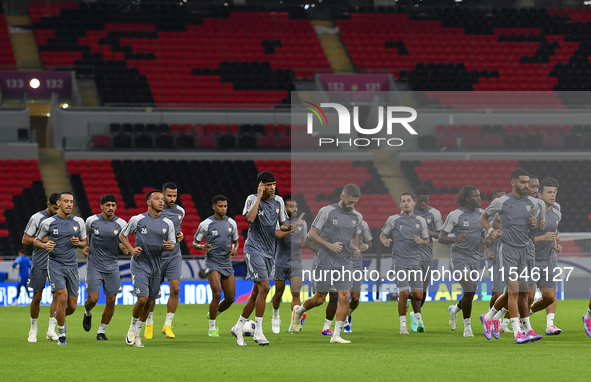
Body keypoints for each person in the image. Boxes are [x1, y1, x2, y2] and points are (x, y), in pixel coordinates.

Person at [290, 184, 362, 344]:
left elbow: (354, 237)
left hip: (345, 262)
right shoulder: (326, 211)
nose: (351, 206)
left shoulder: (357, 216)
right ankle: (299, 311)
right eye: (349, 202)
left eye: (354, 203)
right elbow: (312, 235)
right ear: (342, 197)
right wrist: (330, 246)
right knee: (319, 299)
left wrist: (355, 248)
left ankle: (336, 335)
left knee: (345, 296)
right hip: (325, 262)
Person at [479, 169, 543, 344]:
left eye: (527, 182)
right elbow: (483, 218)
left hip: (525, 251)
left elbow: (533, 231)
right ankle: (517, 332)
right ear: (513, 182)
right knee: (513, 290)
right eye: (522, 182)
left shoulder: (533, 203)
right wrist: (492, 231)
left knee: (524, 293)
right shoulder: (502, 202)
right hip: (508, 250)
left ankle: (527, 329)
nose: (526, 186)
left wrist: (534, 225)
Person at [230, 171, 290, 347]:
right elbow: (249, 218)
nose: (272, 188)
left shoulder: (279, 201)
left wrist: (291, 227)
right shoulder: (251, 199)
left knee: (256, 292)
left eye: (274, 184)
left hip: (270, 251)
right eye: (268, 185)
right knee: (265, 287)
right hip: (253, 249)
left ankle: (238, 326)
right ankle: (258, 332)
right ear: (261, 185)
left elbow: (282, 225)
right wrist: (258, 196)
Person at [119, 190, 176, 348]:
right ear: (149, 202)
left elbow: (172, 244)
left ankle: (137, 333)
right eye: (157, 199)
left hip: (157, 266)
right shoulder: (137, 219)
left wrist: (171, 246)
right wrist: (131, 249)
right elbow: (122, 236)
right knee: (142, 299)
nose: (161, 201)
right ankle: (131, 328)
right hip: (139, 264)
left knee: (150, 302)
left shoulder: (168, 223)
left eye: (162, 199)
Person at [34, 191, 87, 346]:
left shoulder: (79, 222)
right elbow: (36, 240)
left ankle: (58, 315)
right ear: (58, 204)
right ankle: (62, 335)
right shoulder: (48, 223)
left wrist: (79, 243)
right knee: (61, 297)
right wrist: (44, 245)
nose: (69, 204)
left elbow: (85, 242)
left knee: (72, 306)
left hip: (72, 266)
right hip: (55, 264)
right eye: (66, 201)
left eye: (71, 201)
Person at [440, 186, 487, 338]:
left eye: (479, 196)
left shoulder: (482, 214)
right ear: (467, 198)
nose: (479, 198)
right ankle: (467, 328)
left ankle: (454, 310)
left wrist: (486, 242)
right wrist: (456, 239)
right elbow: (441, 237)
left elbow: (480, 237)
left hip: (475, 257)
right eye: (475, 196)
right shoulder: (455, 215)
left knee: (471, 293)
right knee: (469, 290)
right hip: (459, 256)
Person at [380, 192, 429, 335]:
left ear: (413, 203)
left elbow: (426, 240)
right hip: (400, 261)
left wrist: (421, 241)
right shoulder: (393, 219)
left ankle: (413, 313)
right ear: (400, 204)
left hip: (415, 261)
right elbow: (383, 235)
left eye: (408, 200)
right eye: (403, 201)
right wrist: (385, 241)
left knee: (419, 296)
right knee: (403, 293)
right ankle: (403, 326)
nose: (406, 203)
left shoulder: (420, 221)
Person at [82, 194, 128, 340]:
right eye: (107, 205)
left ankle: (101, 331)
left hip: (112, 265)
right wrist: (85, 247)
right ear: (101, 206)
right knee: (93, 299)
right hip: (94, 265)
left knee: (111, 300)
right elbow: (85, 237)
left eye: (113, 205)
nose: (111, 208)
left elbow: (121, 241)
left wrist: (123, 247)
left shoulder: (121, 223)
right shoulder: (91, 221)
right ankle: (87, 313)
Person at [193, 195, 239, 337]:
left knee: (231, 298)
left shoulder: (232, 223)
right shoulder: (206, 224)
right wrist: (202, 247)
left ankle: (214, 313)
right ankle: (212, 326)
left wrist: (235, 249)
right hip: (212, 261)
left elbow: (236, 241)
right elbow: (195, 242)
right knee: (217, 293)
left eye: (225, 206)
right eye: (220, 206)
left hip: (226, 262)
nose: (223, 208)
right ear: (214, 207)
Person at [145, 182, 185, 340]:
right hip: (156, 257)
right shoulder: (155, 211)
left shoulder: (180, 211)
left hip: (174, 255)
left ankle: (167, 325)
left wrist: (180, 235)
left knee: (175, 289)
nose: (172, 199)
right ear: (162, 195)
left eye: (175, 195)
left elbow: (177, 229)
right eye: (169, 195)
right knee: (152, 293)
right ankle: (149, 323)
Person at [21, 193, 60, 342]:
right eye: (54, 208)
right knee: (37, 296)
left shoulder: (63, 219)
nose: (57, 211)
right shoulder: (37, 218)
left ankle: (51, 331)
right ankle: (33, 330)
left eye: (59, 208)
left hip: (57, 262)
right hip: (40, 262)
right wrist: (41, 240)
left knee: (57, 295)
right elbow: (25, 239)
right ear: (48, 205)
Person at [529, 177, 562, 335]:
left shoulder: (556, 211)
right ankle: (496, 316)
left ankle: (550, 325)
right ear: (539, 195)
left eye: (554, 192)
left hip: (549, 259)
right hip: (530, 260)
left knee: (549, 296)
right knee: (525, 297)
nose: (553, 195)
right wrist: (542, 238)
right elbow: (521, 238)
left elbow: (555, 230)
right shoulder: (531, 213)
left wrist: (556, 242)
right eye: (549, 192)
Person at [270, 195, 307, 334]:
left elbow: (303, 240)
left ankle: (294, 323)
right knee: (278, 292)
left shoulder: (303, 223)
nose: (295, 209)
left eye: (296, 206)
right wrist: (291, 228)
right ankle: (275, 316)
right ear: (284, 208)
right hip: (280, 262)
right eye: (291, 206)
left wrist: (303, 243)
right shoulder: (279, 222)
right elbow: (278, 235)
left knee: (296, 294)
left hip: (296, 263)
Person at [410, 186, 442, 332]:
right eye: (420, 200)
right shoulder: (408, 212)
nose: (423, 203)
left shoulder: (434, 213)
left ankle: (413, 313)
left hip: (427, 256)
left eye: (425, 200)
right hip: (411, 256)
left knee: (423, 291)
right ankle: (418, 319)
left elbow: (440, 235)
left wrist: (429, 233)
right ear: (415, 199)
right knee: (416, 288)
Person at [344, 219, 372, 333]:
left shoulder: (363, 224)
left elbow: (369, 242)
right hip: (342, 263)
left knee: (355, 298)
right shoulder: (340, 222)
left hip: (357, 264)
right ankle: (344, 322)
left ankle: (348, 313)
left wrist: (366, 246)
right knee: (344, 295)